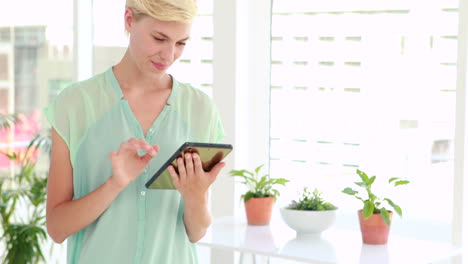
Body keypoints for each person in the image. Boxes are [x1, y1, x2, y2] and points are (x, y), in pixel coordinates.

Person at [44, 0, 226, 263]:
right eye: (159, 38)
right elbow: (57, 228)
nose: (169, 55)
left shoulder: (200, 109)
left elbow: (196, 232)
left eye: (181, 43)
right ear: (129, 20)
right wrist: (115, 183)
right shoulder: (75, 104)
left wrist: (194, 196)